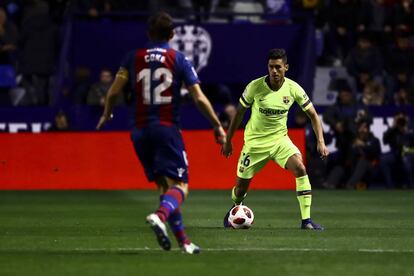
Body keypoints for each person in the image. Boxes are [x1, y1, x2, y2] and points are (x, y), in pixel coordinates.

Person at [96, 12, 226, 254]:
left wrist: (107, 113)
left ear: (148, 33)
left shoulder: (131, 58)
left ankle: (184, 242)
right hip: (166, 128)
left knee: (164, 187)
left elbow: (113, 93)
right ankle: (159, 216)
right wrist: (217, 125)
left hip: (138, 131)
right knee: (181, 185)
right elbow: (198, 97)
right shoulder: (178, 59)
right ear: (172, 34)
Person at [221, 48, 329, 230]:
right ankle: (235, 207)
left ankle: (306, 221)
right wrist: (228, 140)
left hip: (280, 141)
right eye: (271, 67)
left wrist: (320, 141)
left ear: (286, 67)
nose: (274, 71)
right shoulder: (254, 87)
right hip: (254, 144)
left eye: (278, 67)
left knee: (301, 168)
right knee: (240, 190)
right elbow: (239, 114)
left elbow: (313, 115)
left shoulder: (293, 88)